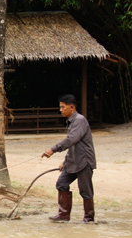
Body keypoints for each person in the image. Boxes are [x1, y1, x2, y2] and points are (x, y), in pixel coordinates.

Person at [41, 94, 96, 223]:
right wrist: (65, 162)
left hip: (84, 161)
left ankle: (89, 217)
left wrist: (53, 149)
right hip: (73, 161)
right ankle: (63, 215)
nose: (60, 110)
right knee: (62, 184)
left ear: (71, 107)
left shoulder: (80, 120)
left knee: (85, 190)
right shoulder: (71, 121)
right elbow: (74, 144)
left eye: (62, 107)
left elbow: (71, 139)